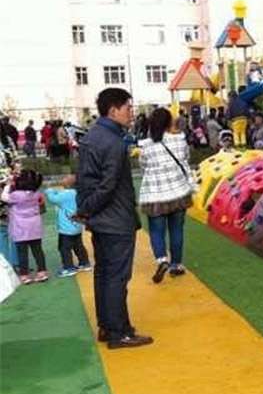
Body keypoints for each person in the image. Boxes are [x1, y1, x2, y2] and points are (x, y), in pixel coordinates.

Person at [77, 87, 153, 349]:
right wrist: (86, 209)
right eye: (128, 108)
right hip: (115, 219)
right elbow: (107, 186)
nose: (131, 113)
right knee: (116, 277)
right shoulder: (113, 142)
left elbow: (86, 180)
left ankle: (107, 326)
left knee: (104, 274)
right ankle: (119, 332)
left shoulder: (92, 137)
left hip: (101, 219)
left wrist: (86, 209)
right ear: (113, 110)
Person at [138, 107, 193, 283]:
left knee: (156, 231)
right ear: (170, 123)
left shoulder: (146, 146)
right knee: (176, 229)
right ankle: (176, 265)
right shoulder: (180, 139)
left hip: (154, 196)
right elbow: (186, 158)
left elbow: (143, 165)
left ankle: (162, 260)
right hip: (178, 193)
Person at [1, 169, 47, 284]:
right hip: (35, 228)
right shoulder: (35, 193)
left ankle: (24, 275)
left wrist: (7, 186)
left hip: (20, 229)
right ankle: (42, 272)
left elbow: (4, 197)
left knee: (22, 253)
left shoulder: (16, 195)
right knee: (38, 251)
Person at [45, 174, 91, 277]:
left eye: (64, 178)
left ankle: (69, 267)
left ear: (68, 184)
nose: (62, 179)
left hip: (66, 228)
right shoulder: (77, 193)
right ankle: (84, 263)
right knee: (78, 246)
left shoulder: (65, 195)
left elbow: (53, 199)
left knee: (64, 248)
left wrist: (49, 190)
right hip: (77, 227)